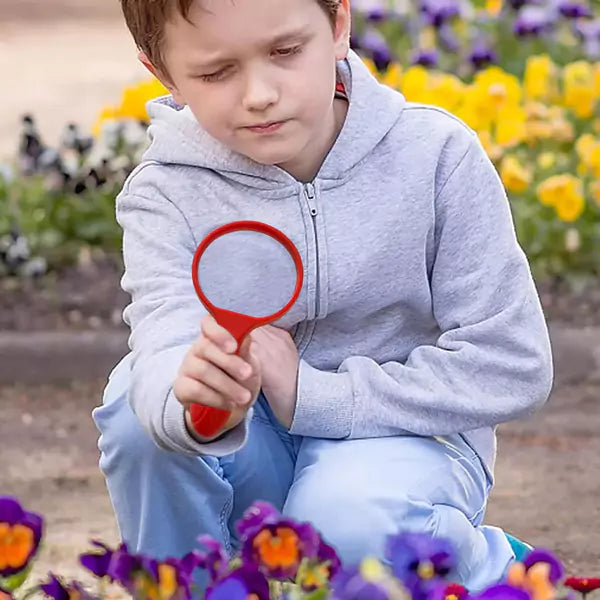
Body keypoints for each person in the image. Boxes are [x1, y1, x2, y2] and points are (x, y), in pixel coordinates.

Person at [92, 0, 553, 592]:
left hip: (401, 436)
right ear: (162, 72)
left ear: (339, 25)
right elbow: (165, 344)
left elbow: (512, 363)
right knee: (138, 406)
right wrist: (202, 408)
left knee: (343, 526)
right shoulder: (164, 192)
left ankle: (488, 569)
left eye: (285, 52)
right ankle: (195, 587)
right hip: (252, 442)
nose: (259, 93)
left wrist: (316, 394)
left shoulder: (437, 157)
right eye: (216, 72)